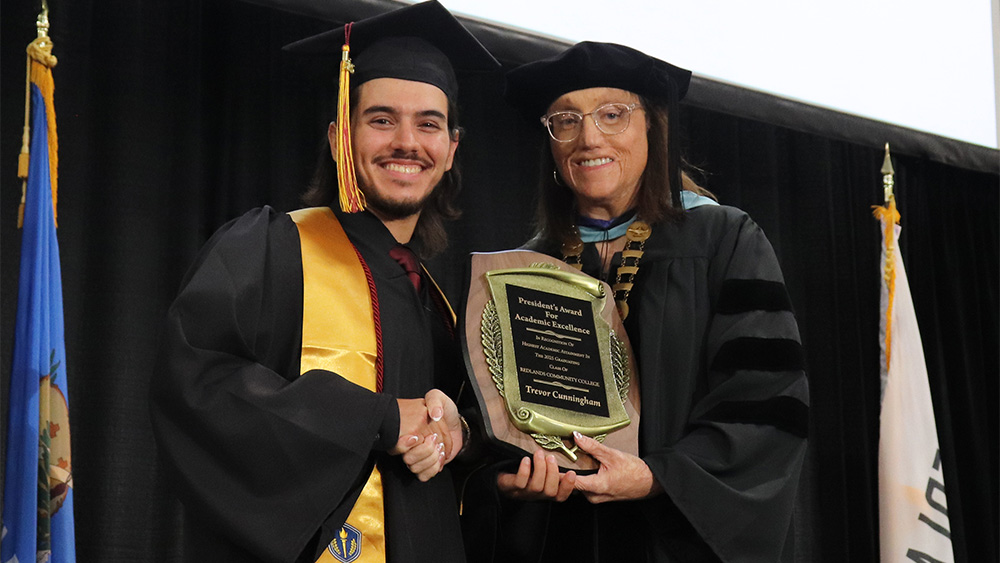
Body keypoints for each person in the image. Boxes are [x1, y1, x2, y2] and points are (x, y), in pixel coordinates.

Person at [150, 2, 499, 562]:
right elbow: (199, 388)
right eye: (381, 119)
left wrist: (461, 434)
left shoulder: (441, 305)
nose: (406, 142)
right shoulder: (274, 249)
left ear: (452, 149)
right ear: (340, 135)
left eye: (428, 123)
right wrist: (378, 418)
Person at [462, 42, 809, 563]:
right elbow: (489, 414)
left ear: (653, 127)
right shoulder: (523, 270)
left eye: (612, 114)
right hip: (561, 541)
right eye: (566, 120)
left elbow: (766, 399)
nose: (589, 137)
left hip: (672, 543)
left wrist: (654, 476)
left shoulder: (722, 240)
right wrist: (506, 477)